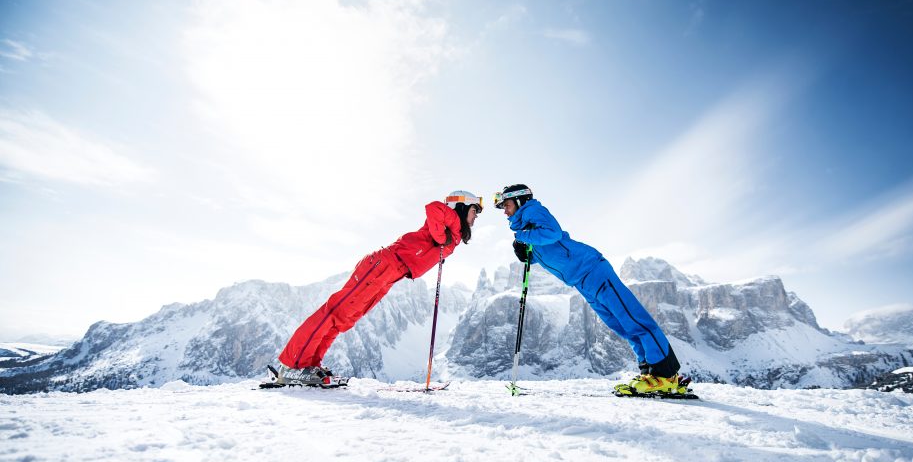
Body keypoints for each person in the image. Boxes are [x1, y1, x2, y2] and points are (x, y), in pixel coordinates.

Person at [493, 184, 688, 395]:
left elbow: (553, 233)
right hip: (582, 282)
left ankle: (665, 375)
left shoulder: (532, 210)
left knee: (633, 319)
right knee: (622, 326)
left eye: (508, 205)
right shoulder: (527, 228)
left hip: (593, 270)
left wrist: (524, 237)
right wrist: (526, 254)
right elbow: (552, 254)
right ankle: (649, 373)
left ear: (520, 201)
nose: (505, 211)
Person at [276, 191, 483, 385]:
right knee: (335, 311)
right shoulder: (453, 219)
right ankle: (292, 366)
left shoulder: (454, 232)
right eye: (474, 211)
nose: (475, 217)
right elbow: (433, 208)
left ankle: (310, 365)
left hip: (390, 274)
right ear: (461, 207)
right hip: (383, 265)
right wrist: (440, 238)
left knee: (344, 318)